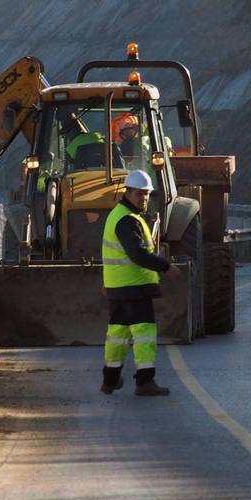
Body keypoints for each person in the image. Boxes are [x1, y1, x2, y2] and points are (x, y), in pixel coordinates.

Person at [100, 169, 180, 396]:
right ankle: (145, 382)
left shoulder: (118, 215)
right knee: (144, 333)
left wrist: (107, 282)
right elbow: (137, 255)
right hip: (134, 287)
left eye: (146, 195)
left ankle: (110, 379)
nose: (144, 199)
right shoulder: (127, 220)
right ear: (128, 192)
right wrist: (166, 267)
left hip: (119, 288)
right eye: (139, 194)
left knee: (118, 334)